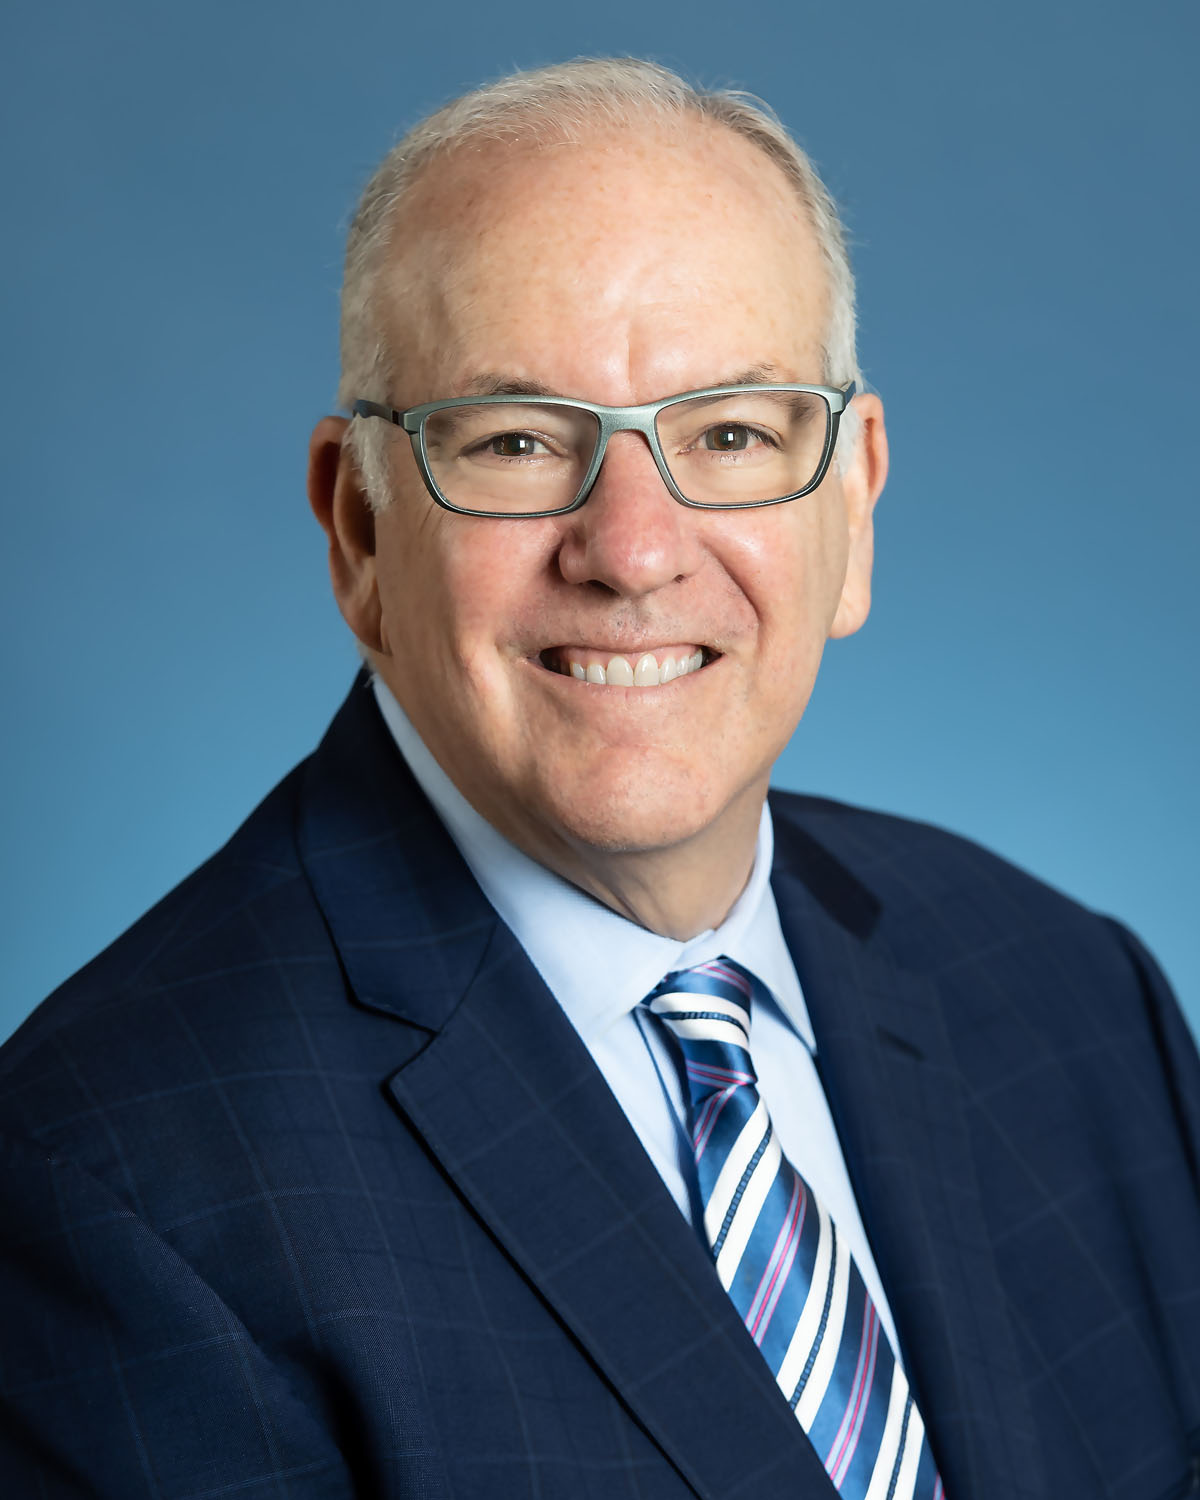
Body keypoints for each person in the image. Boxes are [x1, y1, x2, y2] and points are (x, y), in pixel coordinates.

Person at [1, 57, 1197, 1500]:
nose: (631, 549)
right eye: (514, 442)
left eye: (732, 435)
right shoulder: (112, 1190)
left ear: (856, 504)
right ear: (360, 535)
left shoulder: (1075, 996)